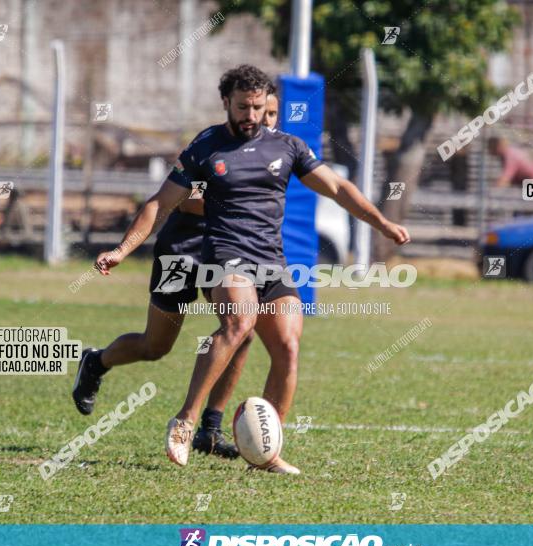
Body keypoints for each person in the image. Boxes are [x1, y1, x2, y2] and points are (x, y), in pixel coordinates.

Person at [93, 64, 410, 474]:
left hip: (271, 261)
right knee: (237, 325)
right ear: (226, 102)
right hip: (224, 255)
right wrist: (123, 249)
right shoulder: (205, 147)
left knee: (288, 347)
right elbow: (161, 202)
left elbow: (337, 188)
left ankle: (266, 451)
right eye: (243, 107)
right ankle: (186, 421)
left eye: (259, 107)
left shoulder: (288, 147)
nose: (251, 115)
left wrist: (381, 222)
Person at [70, 88, 283, 462]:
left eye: (270, 114)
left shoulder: (277, 151)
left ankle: (209, 430)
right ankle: (97, 361)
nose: (263, 120)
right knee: (156, 346)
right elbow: (180, 197)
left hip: (231, 253)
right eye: (256, 112)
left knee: (241, 331)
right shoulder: (211, 144)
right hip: (185, 246)